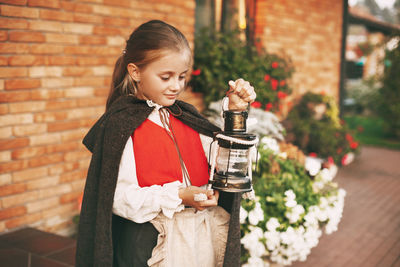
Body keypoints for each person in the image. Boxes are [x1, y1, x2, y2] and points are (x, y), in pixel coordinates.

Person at [75, 20, 256, 267]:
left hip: (199, 241)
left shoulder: (186, 116)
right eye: (166, 77)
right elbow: (118, 198)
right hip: (152, 246)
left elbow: (225, 166)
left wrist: (235, 111)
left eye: (182, 76)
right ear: (135, 71)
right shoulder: (121, 125)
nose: (176, 86)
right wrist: (180, 195)